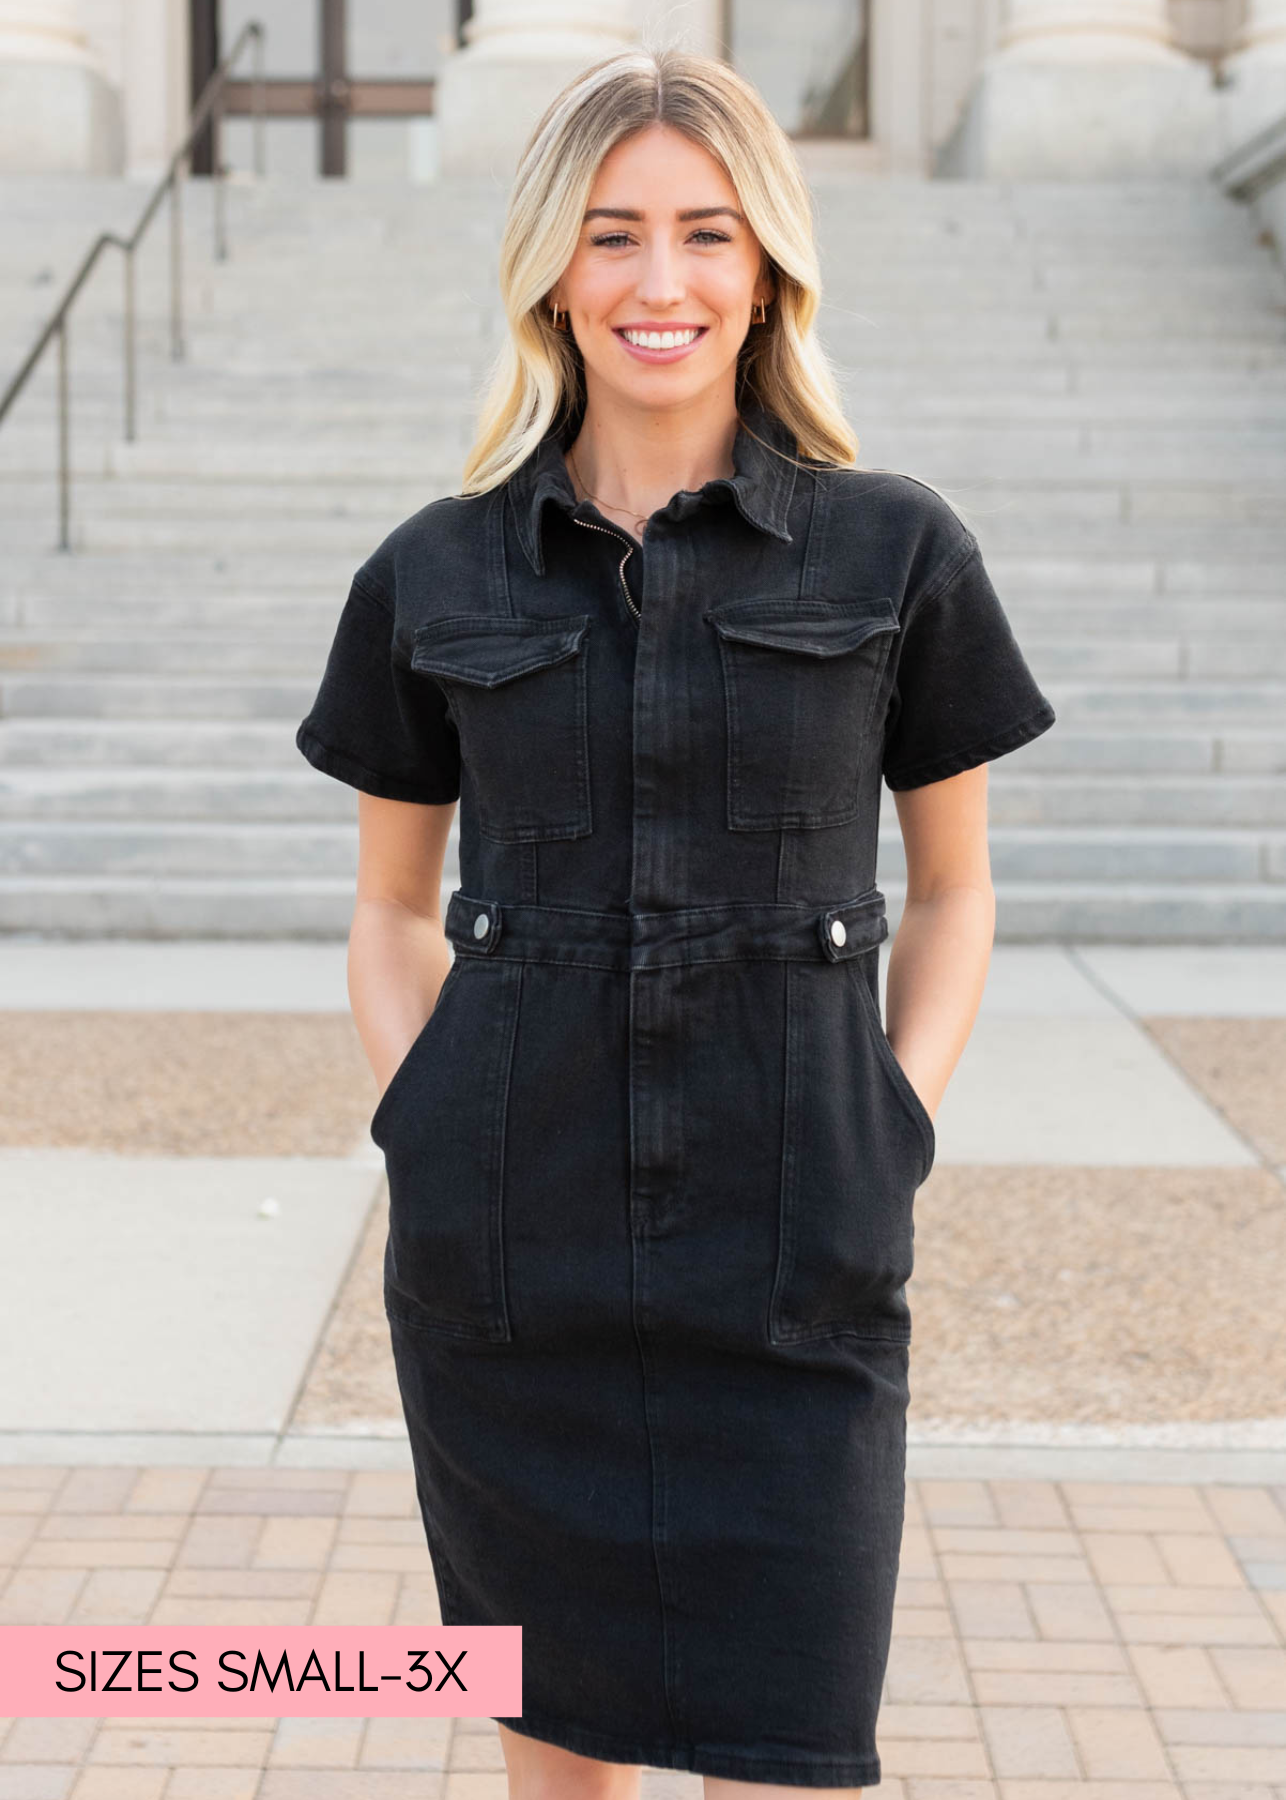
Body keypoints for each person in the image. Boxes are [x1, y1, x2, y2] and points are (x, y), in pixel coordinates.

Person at [296, 43, 1056, 1799]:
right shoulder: (434, 572)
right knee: (555, 1751)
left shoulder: (893, 553)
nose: (660, 283)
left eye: (706, 236)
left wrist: (896, 1116)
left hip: (797, 1238)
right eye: (613, 233)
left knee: (789, 1745)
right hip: (511, 1249)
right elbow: (388, 905)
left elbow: (953, 884)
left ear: (767, 267)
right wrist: (429, 1123)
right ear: (550, 267)